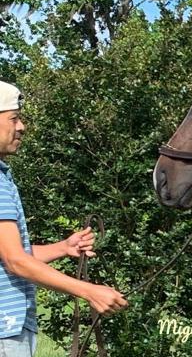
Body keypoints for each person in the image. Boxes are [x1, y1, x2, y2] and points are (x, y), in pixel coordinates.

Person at [0, 81, 128, 356]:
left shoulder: (3, 177)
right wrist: (89, 291)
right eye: (13, 118)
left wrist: (63, 248)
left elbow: (9, 254)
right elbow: (14, 261)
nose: (22, 127)